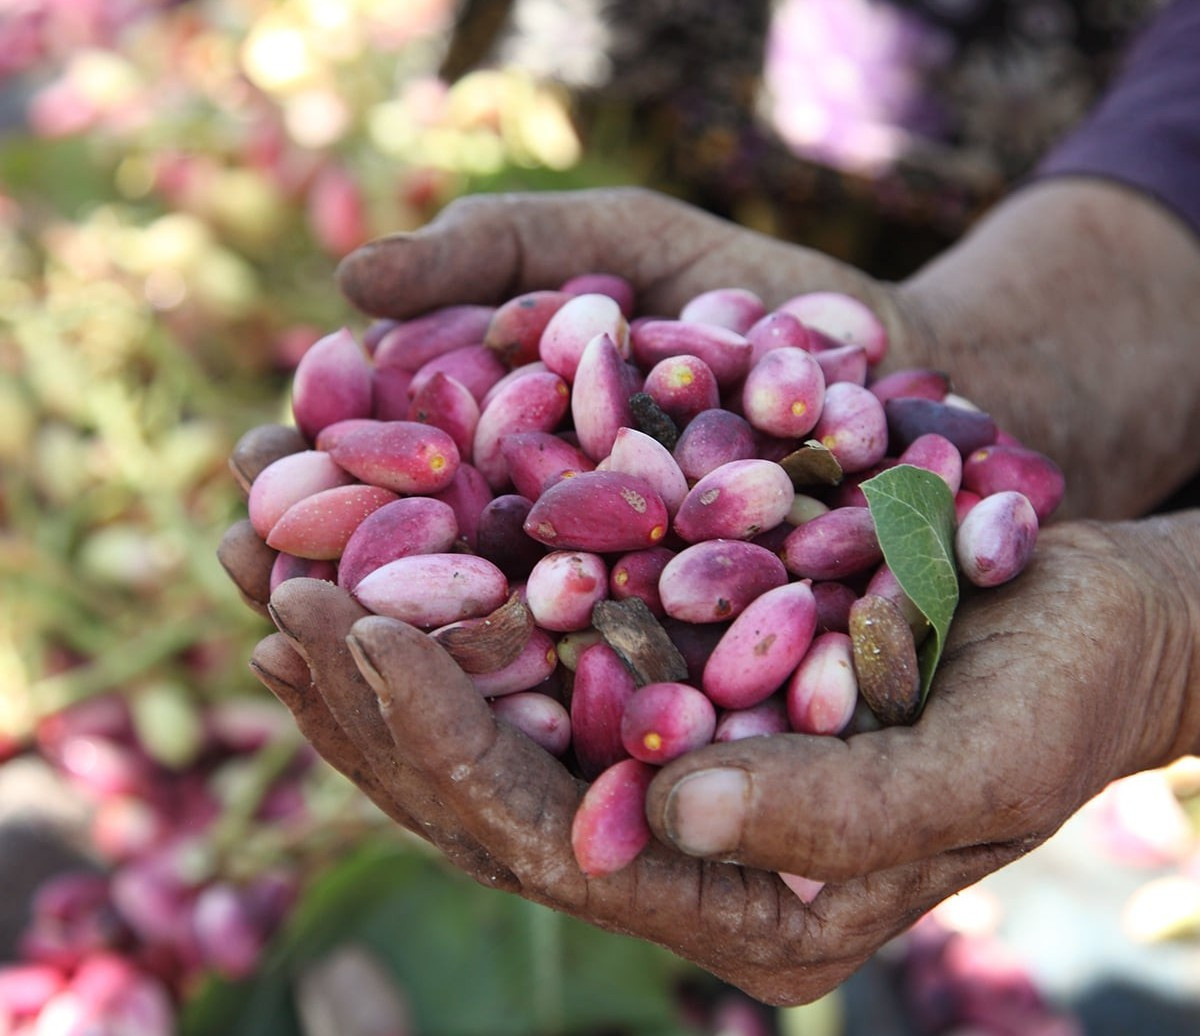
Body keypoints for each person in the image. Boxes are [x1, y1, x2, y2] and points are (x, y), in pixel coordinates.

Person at [218, 0, 1200, 1007]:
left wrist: (1173, 634)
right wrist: (1020, 349)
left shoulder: (721, 486)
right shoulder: (579, 464)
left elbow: (733, 543)